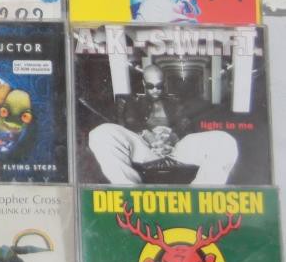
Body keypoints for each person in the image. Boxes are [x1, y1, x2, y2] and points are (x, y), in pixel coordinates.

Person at [87, 65, 238, 185]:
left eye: (159, 86)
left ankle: (199, 196)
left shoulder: (175, 102)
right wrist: (148, 136)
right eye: (150, 86)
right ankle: (131, 193)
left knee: (225, 141)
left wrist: (172, 136)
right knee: (100, 133)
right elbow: (131, 124)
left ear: (164, 84)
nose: (155, 90)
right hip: (145, 148)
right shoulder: (134, 103)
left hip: (176, 148)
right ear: (144, 83)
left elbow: (185, 126)